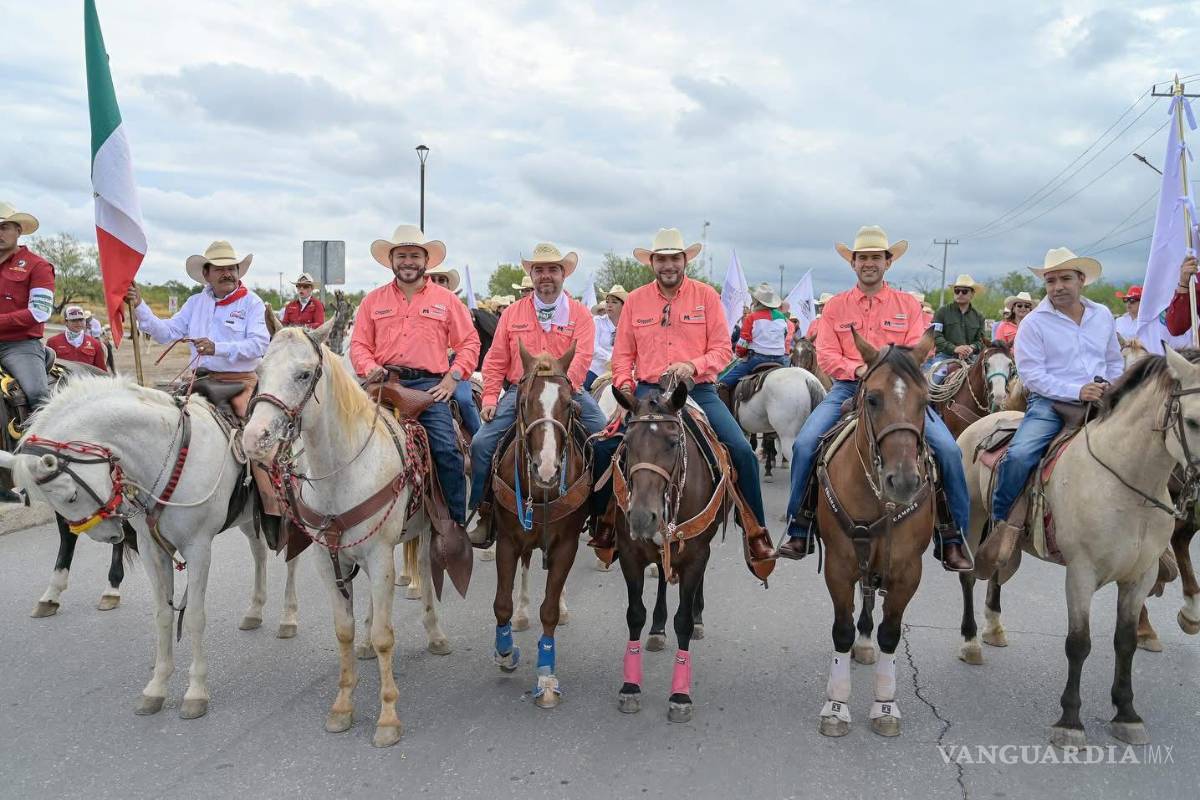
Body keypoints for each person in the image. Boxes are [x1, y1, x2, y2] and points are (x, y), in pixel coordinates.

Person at [775, 225, 973, 571]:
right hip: (848, 388)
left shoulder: (908, 305)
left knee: (949, 451)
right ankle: (799, 525)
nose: (869, 263)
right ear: (853, 263)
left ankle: (952, 535)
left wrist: (886, 373)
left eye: (876, 257)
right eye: (862, 257)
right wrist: (857, 370)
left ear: (888, 262)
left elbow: (920, 350)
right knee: (805, 444)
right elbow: (826, 353)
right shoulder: (835, 306)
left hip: (899, 393)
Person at [602, 227, 775, 565]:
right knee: (607, 448)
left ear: (685, 261)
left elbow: (723, 350)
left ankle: (755, 530)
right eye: (662, 259)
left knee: (742, 451)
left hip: (697, 390)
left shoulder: (706, 296)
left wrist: (692, 366)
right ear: (652, 262)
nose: (668, 265)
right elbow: (622, 355)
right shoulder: (635, 300)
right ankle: (606, 525)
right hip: (647, 391)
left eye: (675, 259)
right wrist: (624, 387)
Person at [975, 248, 1123, 573]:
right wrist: (1077, 390)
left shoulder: (1102, 315)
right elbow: (1032, 376)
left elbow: (1114, 360)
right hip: (1050, 403)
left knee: (1147, 440)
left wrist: (1109, 386)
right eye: (1051, 280)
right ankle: (1002, 525)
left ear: (1081, 280)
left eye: (1065, 279)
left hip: (1102, 398)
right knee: (1019, 456)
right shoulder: (1033, 323)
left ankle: (1158, 528)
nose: (1057, 286)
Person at [126, 240, 281, 538]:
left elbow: (259, 344)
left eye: (231, 268)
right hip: (199, 380)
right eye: (220, 269)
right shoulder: (195, 303)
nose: (227, 273)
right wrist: (140, 306)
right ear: (206, 274)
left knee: (257, 440)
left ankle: (273, 504)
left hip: (240, 381)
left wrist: (217, 347)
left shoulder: (252, 303)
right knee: (163, 423)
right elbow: (166, 332)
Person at [468, 242, 614, 544]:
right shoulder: (512, 314)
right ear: (532, 275)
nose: (546, 275)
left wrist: (563, 389)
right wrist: (490, 397)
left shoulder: (580, 315)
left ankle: (601, 515)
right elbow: (495, 359)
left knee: (605, 440)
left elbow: (582, 357)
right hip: (521, 391)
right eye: (539, 270)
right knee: (481, 444)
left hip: (567, 390)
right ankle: (486, 512)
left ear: (563, 274)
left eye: (552, 270)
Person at [350, 225, 479, 526]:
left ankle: (454, 526)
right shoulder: (372, 300)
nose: (408, 261)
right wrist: (369, 368)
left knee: (447, 450)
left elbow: (469, 343)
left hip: (428, 387)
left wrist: (452, 378)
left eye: (414, 256)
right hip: (384, 383)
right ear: (391, 261)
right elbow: (359, 344)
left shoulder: (446, 300)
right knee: (348, 441)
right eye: (402, 256)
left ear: (426, 261)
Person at [0, 201, 54, 411]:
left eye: (4, 227)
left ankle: (42, 432)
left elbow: (39, 312)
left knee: (38, 395)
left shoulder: (38, 266)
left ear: (18, 231)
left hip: (19, 346)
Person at [425, 264, 481, 436]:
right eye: (432, 279)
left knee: (464, 400)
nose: (437, 283)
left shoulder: (459, 307)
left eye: (441, 280)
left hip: (453, 364)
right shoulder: (416, 307)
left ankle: (479, 439)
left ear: (449, 285)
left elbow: (467, 342)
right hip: (425, 369)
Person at [720, 282, 794, 387]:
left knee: (723, 382)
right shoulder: (782, 317)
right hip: (779, 360)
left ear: (757, 301)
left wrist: (739, 354)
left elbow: (743, 343)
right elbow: (784, 336)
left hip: (757, 360)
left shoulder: (751, 317)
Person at [932, 273, 986, 372]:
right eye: (957, 291)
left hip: (969, 358)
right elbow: (936, 336)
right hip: (944, 357)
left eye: (964, 291)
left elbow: (981, 341)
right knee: (936, 377)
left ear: (972, 294)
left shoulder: (979, 317)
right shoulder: (942, 312)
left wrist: (971, 348)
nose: (960, 294)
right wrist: (955, 348)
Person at [585, 285, 626, 390]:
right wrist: (611, 358)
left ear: (623, 306)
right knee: (578, 391)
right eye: (607, 302)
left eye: (614, 302)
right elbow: (593, 348)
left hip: (621, 371)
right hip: (596, 370)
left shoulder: (628, 326)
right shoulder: (597, 321)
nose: (609, 305)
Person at [46, 306, 107, 371]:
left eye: (81, 319)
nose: (78, 323)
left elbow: (101, 371)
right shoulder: (52, 342)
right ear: (66, 322)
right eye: (74, 320)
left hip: (86, 377)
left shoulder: (95, 344)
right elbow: (47, 368)